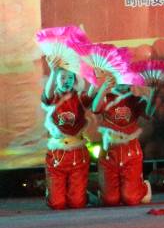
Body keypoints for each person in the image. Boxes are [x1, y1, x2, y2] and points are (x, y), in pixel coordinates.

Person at [41, 62, 102, 209]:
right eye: (62, 77)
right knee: (57, 204)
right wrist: (53, 71)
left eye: (70, 77)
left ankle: (83, 194)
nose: (66, 81)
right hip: (57, 154)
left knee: (77, 203)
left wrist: (95, 78)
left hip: (77, 154)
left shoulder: (79, 97)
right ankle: (53, 192)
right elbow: (47, 95)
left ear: (75, 79)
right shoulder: (53, 97)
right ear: (56, 79)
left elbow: (90, 95)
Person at [94, 78, 155, 206]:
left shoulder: (136, 99)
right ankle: (106, 192)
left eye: (125, 78)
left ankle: (143, 187)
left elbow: (149, 113)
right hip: (109, 153)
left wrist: (152, 93)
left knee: (131, 199)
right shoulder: (106, 97)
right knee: (110, 200)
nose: (122, 82)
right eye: (119, 78)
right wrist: (103, 89)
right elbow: (95, 108)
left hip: (130, 153)